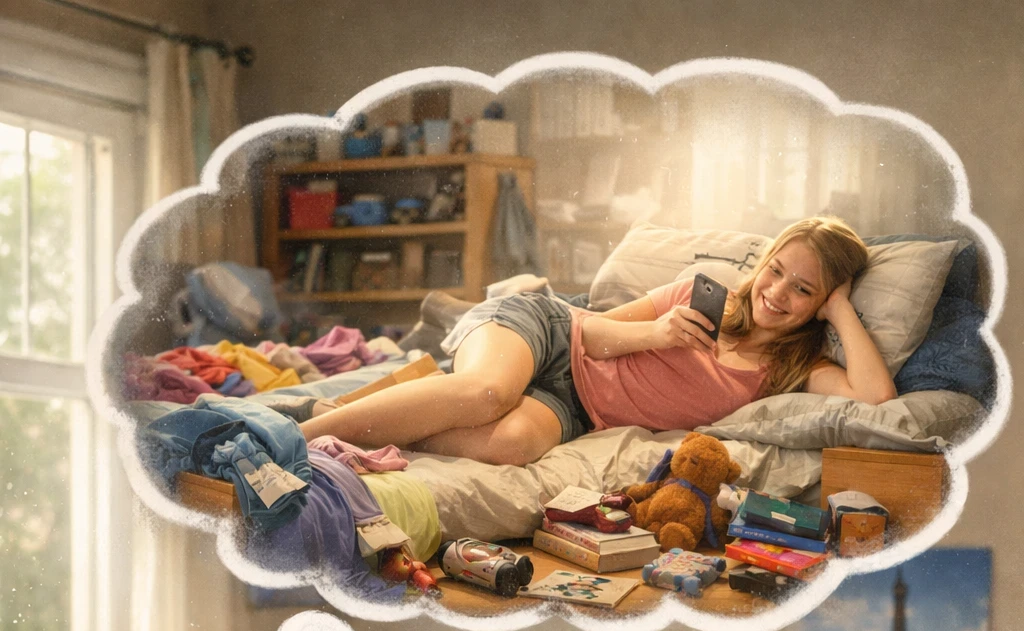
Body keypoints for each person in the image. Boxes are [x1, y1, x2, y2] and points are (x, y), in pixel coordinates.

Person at [299, 216, 895, 467]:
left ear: (821, 303)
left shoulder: (792, 368)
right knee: (485, 394)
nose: (777, 293)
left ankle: (364, 417)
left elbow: (875, 398)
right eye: (776, 272)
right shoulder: (701, 294)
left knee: (512, 444)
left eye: (803, 290)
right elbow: (591, 328)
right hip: (551, 332)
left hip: (578, 406)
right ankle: (297, 436)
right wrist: (657, 332)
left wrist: (842, 310)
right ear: (762, 265)